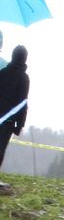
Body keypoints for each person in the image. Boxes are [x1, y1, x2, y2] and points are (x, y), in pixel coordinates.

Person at [0, 45, 30, 175]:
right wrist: (20, 125)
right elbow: (23, 103)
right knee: (0, 149)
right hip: (8, 122)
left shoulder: (2, 73)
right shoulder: (24, 78)